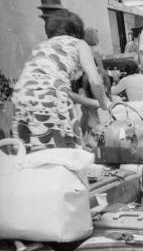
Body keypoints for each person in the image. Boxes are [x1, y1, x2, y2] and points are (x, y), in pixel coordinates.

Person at [11, 10, 108, 150]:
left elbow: (62, 90)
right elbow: (96, 81)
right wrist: (104, 104)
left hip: (21, 95)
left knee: (33, 152)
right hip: (53, 92)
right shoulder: (79, 44)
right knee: (65, 151)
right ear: (76, 30)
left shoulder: (41, 46)